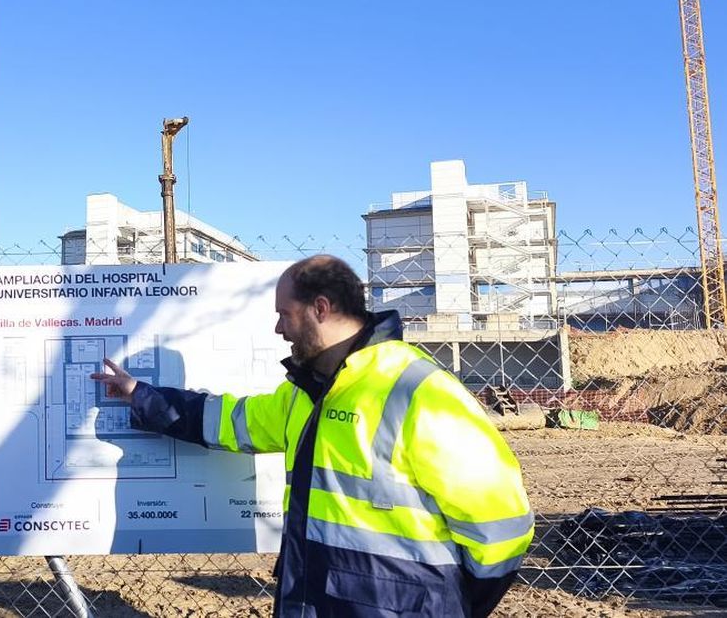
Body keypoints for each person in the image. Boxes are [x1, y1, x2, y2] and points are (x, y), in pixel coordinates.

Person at [93, 255, 533, 617]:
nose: (279, 329)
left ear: (320, 309)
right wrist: (139, 394)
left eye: (284, 314)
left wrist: (448, 605)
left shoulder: (418, 391)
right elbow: (228, 420)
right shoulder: (305, 394)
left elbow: (502, 527)